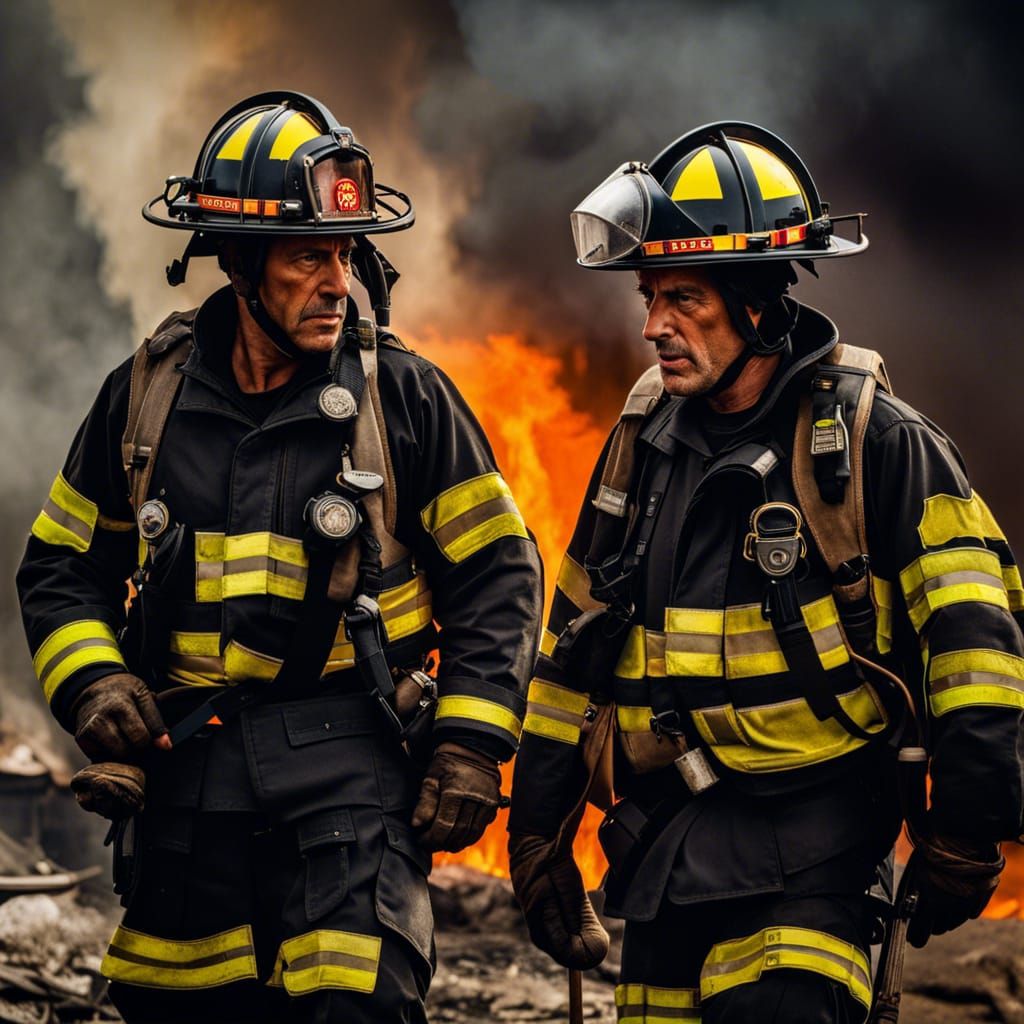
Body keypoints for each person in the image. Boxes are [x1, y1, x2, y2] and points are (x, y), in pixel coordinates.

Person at [17, 91, 542, 1024]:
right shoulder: (145, 401)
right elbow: (61, 567)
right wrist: (95, 683)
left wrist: (468, 744)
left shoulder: (407, 401)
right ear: (241, 261)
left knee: (354, 1005)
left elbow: (499, 574)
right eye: (310, 256)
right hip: (187, 791)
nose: (337, 281)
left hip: (354, 780)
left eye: (344, 255)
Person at [508, 121, 1023, 1023]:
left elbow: (977, 645)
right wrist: (539, 832)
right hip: (664, 859)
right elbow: (570, 654)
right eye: (648, 295)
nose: (653, 325)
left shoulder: (878, 445)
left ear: (756, 303)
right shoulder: (642, 448)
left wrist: (969, 830)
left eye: (684, 299)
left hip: (817, 857)